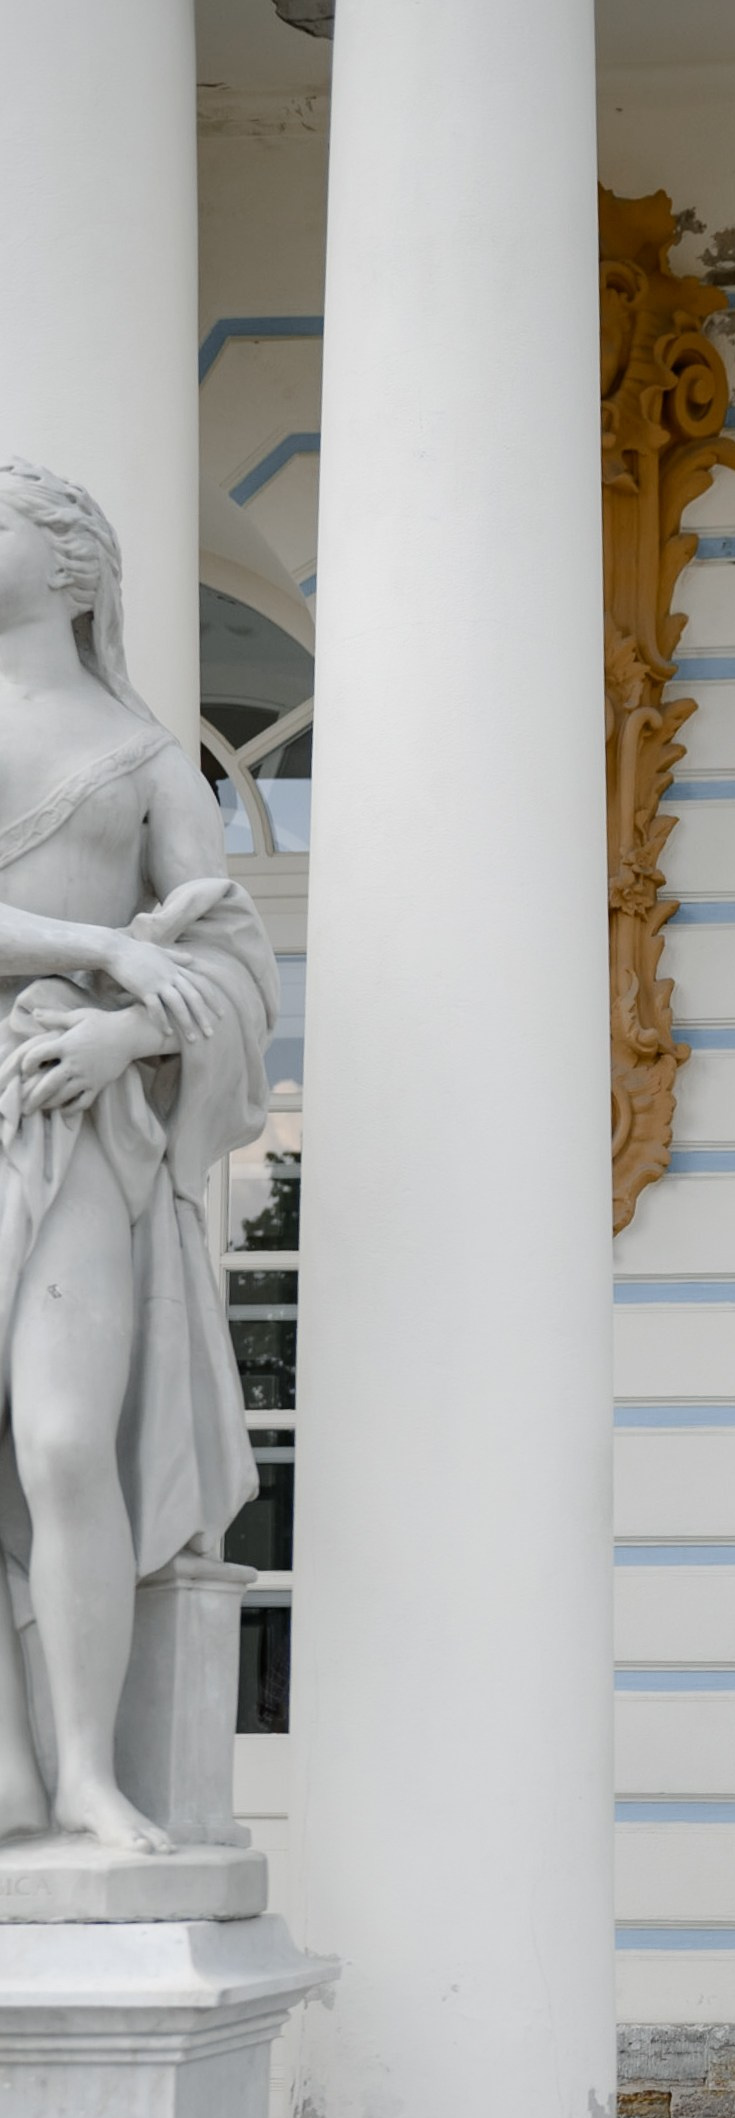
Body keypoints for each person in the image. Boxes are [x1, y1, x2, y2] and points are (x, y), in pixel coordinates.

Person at [0, 461, 275, 1850]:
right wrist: (103, 949)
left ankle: (89, 1770)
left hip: (79, 1125)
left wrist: (124, 1042)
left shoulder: (145, 755)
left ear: (71, 569)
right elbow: (143, 943)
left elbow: (229, 961)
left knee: (61, 1443)